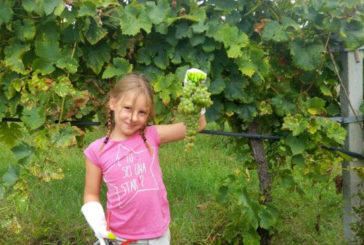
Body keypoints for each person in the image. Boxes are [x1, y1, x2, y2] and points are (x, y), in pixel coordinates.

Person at [81, 72, 207, 245]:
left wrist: (195, 94)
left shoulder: (152, 136)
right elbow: (90, 194)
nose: (133, 118)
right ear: (113, 102)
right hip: (120, 238)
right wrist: (97, 222)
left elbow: (197, 125)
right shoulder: (96, 150)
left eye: (142, 112)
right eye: (127, 108)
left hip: (158, 237)